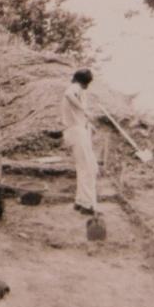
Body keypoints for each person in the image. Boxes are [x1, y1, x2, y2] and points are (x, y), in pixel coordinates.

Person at [61, 69, 97, 215]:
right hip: (76, 132)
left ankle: (81, 201)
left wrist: (87, 121)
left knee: (84, 167)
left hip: (75, 130)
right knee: (89, 169)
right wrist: (84, 110)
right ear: (84, 81)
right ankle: (88, 205)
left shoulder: (77, 89)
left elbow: (75, 112)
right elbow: (68, 94)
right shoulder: (74, 88)